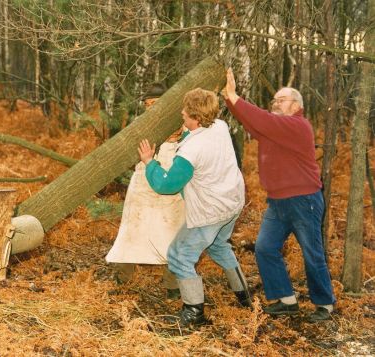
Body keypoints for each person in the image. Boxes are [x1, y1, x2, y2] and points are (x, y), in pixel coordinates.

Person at [222, 68, 336, 322]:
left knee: (311, 253)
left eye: (281, 99)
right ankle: (286, 299)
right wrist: (229, 98)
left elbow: (262, 120)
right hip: (278, 202)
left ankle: (325, 304)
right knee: (265, 248)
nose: (275, 102)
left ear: (296, 105)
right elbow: (252, 121)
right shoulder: (275, 127)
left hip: (303, 199)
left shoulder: (297, 126)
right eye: (273, 99)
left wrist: (235, 96)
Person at [138, 88, 251, 328]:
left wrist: (150, 162)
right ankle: (244, 296)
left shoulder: (191, 151)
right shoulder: (219, 126)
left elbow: (166, 184)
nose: (181, 113)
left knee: (179, 256)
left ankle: (194, 313)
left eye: (185, 112)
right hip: (232, 202)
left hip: (210, 211)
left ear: (196, 118)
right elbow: (196, 140)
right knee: (219, 245)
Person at [106, 83, 184, 299]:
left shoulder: (182, 126)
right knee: (132, 230)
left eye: (156, 103)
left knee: (171, 233)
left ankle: (173, 285)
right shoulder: (140, 126)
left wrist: (177, 138)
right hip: (142, 186)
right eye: (148, 104)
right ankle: (123, 279)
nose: (151, 107)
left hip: (169, 189)